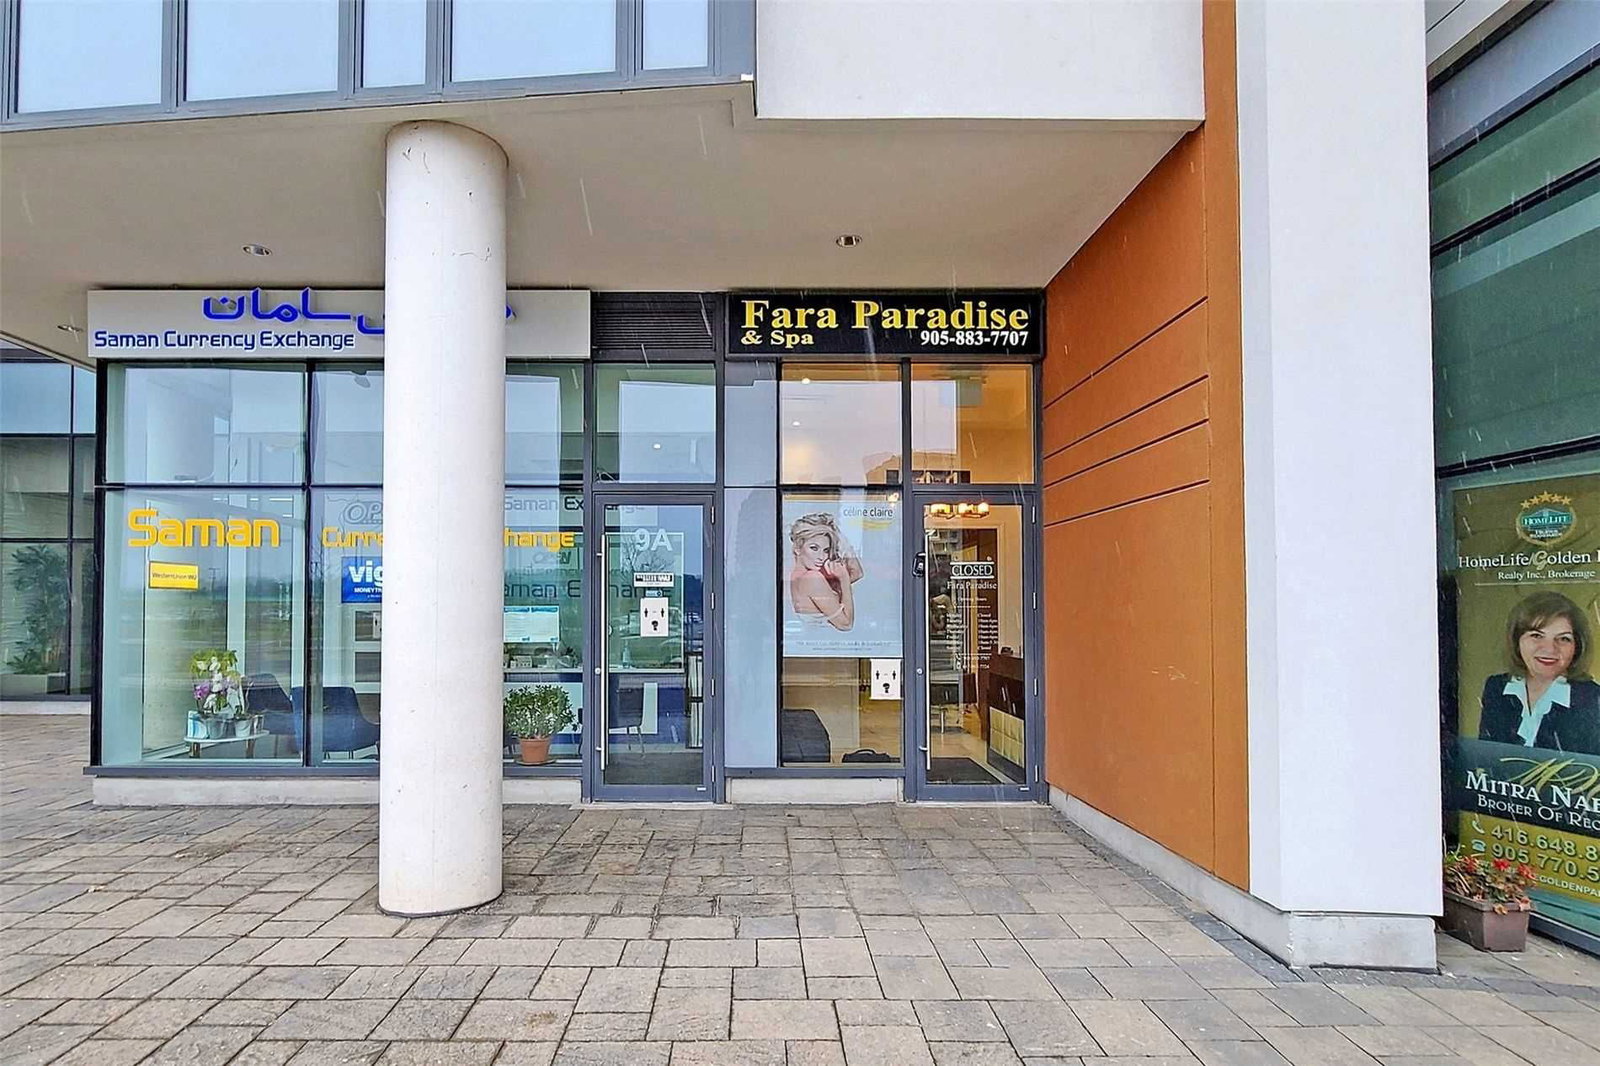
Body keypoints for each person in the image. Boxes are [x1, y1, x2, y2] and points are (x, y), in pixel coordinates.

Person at [1478, 591, 1600, 754]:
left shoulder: (1593, 699)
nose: (1549, 649)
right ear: (1517, 640)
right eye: (1536, 635)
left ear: (1577, 646)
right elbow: (1486, 759)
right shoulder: (1496, 688)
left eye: (1563, 638)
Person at [788, 512, 864, 632]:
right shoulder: (812, 578)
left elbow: (857, 573)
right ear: (797, 548)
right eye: (814, 548)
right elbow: (846, 625)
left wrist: (837, 534)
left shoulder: (798, 576)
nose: (821, 557)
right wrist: (843, 578)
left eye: (826, 550)